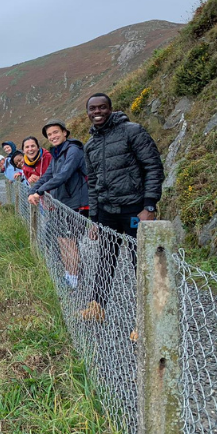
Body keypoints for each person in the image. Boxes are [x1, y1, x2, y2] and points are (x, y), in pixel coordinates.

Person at [82, 93, 164, 318]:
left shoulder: (133, 131)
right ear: (88, 113)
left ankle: (147, 319)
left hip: (134, 210)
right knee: (105, 261)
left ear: (110, 108)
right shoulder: (90, 146)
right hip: (107, 212)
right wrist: (95, 220)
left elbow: (153, 167)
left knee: (142, 264)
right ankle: (97, 308)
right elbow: (94, 185)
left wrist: (149, 206)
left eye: (102, 107)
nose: (97, 112)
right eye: (93, 109)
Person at [27, 120, 89, 289]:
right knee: (63, 240)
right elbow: (48, 176)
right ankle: (70, 274)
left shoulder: (73, 150)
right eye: (49, 135)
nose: (53, 136)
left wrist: (39, 192)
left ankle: (74, 279)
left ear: (65, 133)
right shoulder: (58, 153)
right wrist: (32, 191)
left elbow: (63, 175)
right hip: (64, 203)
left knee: (70, 241)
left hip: (76, 203)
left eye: (56, 132)